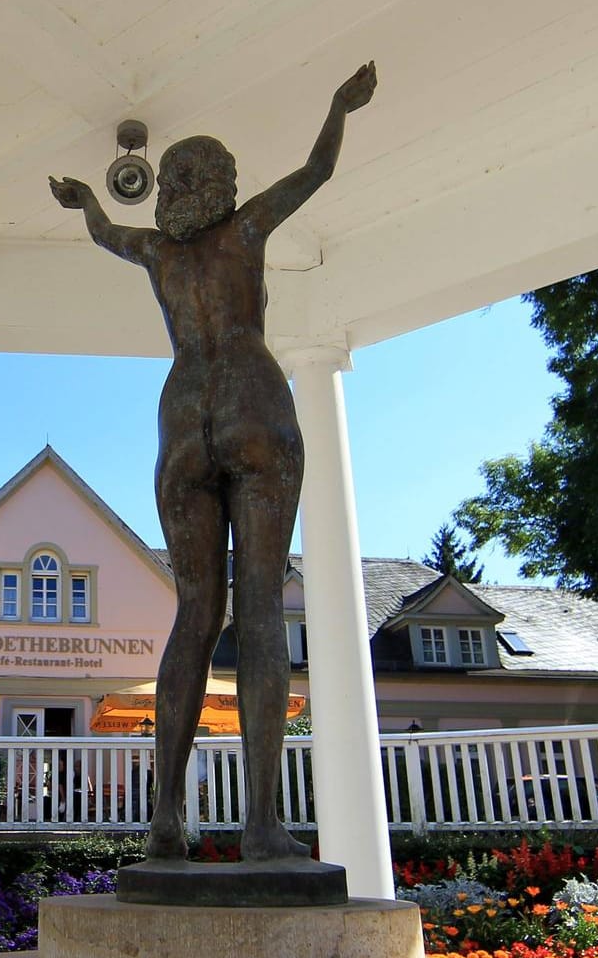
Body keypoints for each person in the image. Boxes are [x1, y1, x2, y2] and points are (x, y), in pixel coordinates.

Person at [50, 62, 377, 861]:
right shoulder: (244, 231)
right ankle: (262, 825)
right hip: (253, 405)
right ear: (226, 186)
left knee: (195, 611)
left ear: (170, 189)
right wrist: (339, 105)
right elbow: (317, 170)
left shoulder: (159, 251)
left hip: (182, 418)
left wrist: (86, 198)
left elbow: (101, 230)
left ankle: (165, 819)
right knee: (259, 610)